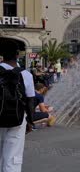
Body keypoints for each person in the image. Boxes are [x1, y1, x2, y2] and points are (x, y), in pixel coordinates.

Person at [0, 40, 35, 172]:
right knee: (13, 156)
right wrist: (30, 122)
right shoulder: (26, 74)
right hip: (18, 119)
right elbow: (30, 101)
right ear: (17, 55)